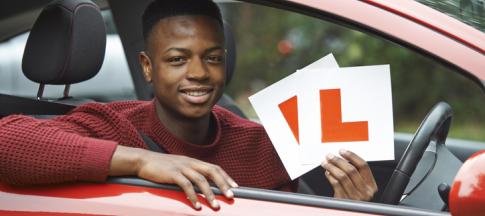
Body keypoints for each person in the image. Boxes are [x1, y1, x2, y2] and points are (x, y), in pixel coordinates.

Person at [0, 0, 377, 210]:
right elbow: (8, 141)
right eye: (178, 59)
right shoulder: (115, 124)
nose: (198, 73)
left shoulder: (264, 143)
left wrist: (350, 208)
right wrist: (143, 160)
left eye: (212, 58)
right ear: (148, 67)